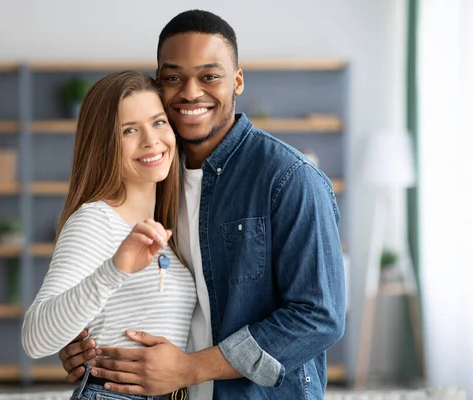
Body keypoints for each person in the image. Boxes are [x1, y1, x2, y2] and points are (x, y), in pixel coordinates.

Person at [59, 9, 346, 400]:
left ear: (237, 81)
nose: (191, 92)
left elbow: (319, 317)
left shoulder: (290, 179)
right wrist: (84, 342)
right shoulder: (153, 175)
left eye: (209, 76)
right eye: (173, 78)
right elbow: (128, 284)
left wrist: (189, 368)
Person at [21, 70, 197, 400]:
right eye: (129, 130)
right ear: (105, 145)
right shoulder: (96, 220)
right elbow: (35, 338)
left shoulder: (171, 223)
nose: (150, 140)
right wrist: (115, 269)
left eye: (158, 122)